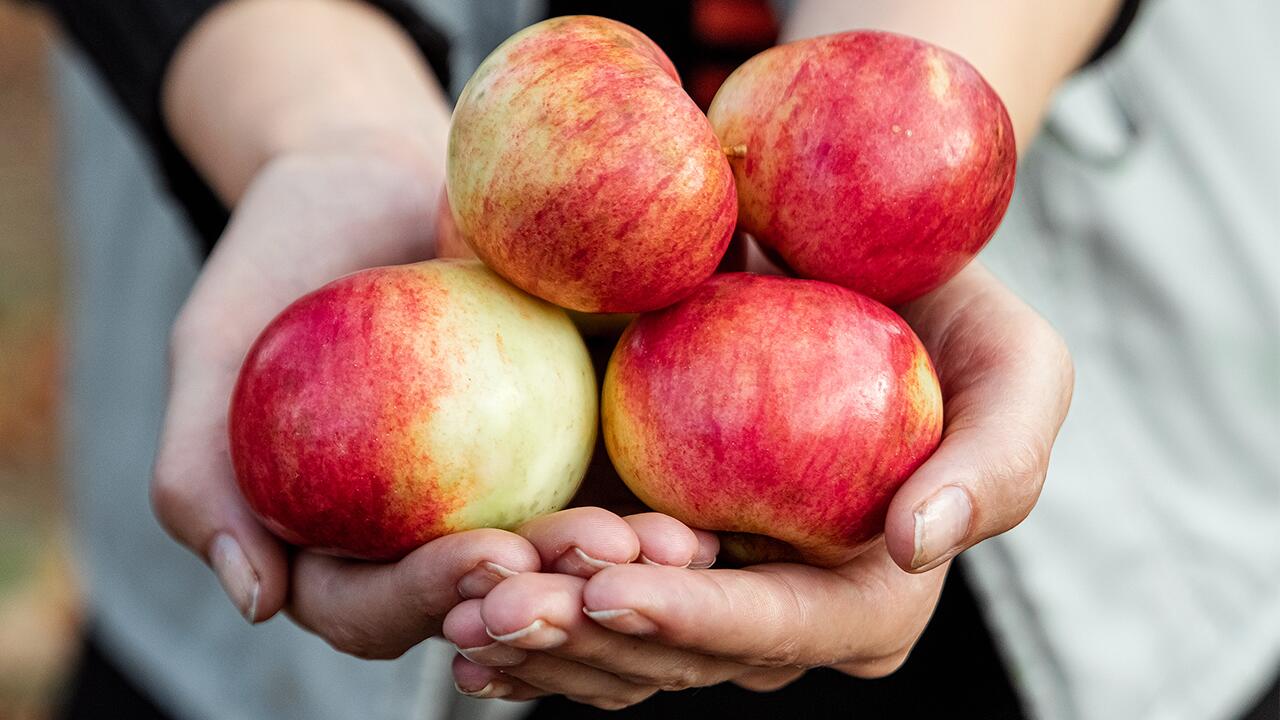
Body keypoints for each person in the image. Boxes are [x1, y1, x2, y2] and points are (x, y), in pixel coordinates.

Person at [28, 0, 1279, 718]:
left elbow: (910, 130)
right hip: (272, 644)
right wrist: (312, 114)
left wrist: (909, 94)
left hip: (1127, 545)